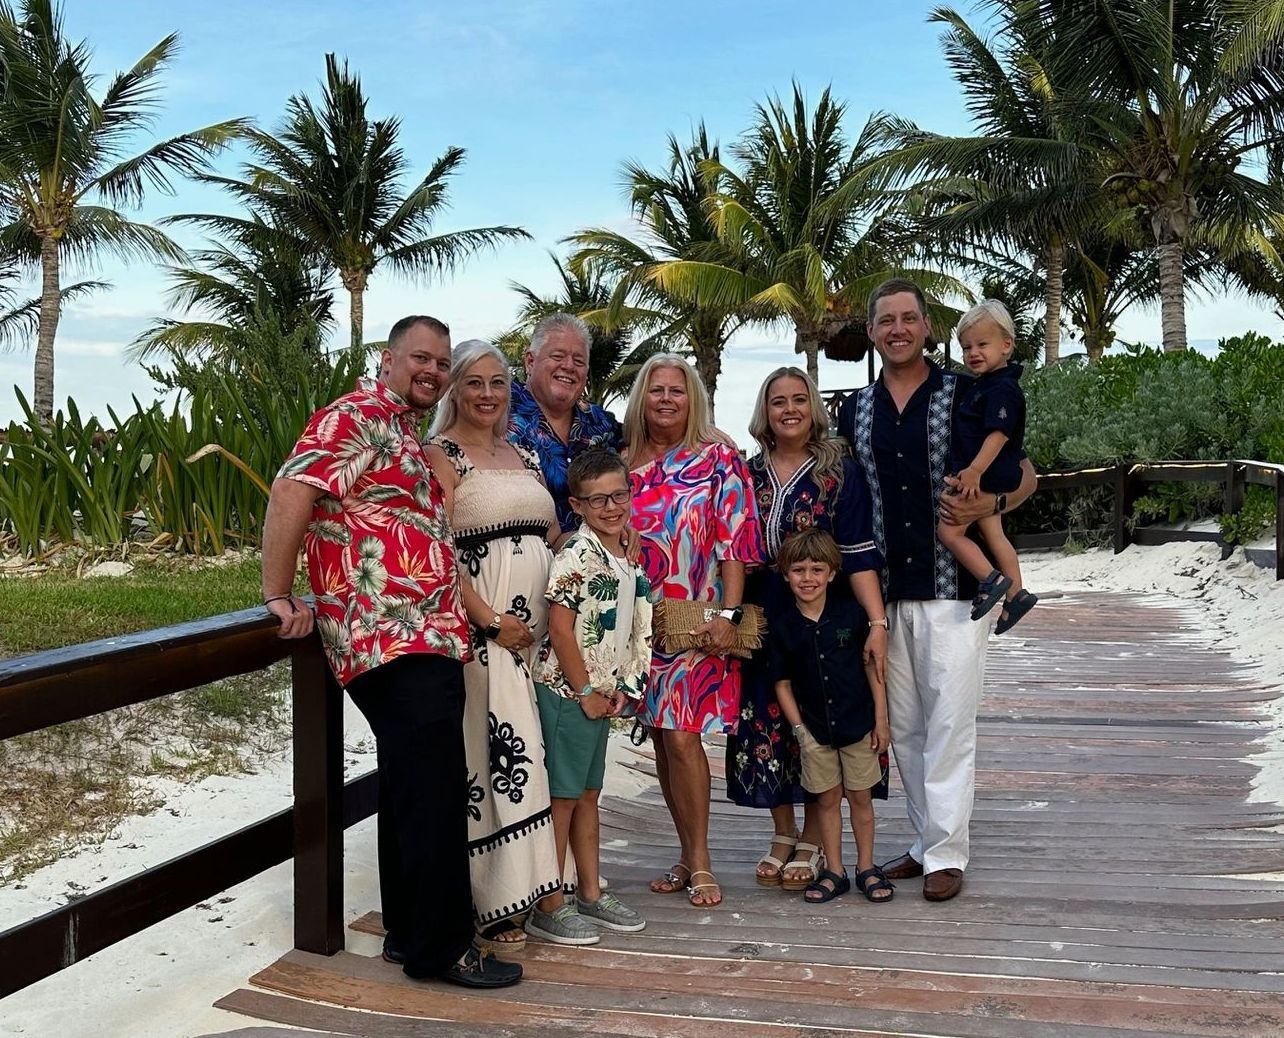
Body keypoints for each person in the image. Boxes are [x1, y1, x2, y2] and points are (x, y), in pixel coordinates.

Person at [261, 316, 521, 988]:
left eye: (441, 364)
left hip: (421, 636)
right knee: (433, 794)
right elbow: (294, 488)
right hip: (389, 636)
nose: (432, 372)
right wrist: (277, 592)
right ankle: (444, 949)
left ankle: (410, 934)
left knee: (415, 789)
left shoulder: (404, 431)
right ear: (389, 358)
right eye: (421, 359)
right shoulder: (355, 416)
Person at [838, 278, 1037, 902]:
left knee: (950, 722)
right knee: (907, 728)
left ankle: (948, 851)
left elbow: (1020, 468)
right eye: (885, 320)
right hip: (884, 593)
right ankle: (925, 843)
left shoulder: (966, 392)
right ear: (871, 331)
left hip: (957, 588)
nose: (897, 329)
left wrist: (996, 498)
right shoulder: (856, 409)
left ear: (927, 327)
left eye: (908, 318)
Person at [725, 367, 887, 894]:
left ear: (812, 407)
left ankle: (819, 838)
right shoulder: (746, 474)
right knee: (768, 720)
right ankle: (783, 833)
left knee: (825, 718)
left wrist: (877, 621)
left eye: (799, 399)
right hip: (766, 615)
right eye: (778, 401)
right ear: (764, 412)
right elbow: (729, 548)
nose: (789, 409)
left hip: (827, 610)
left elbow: (860, 552)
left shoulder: (840, 472)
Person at [425, 340, 561, 957]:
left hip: (535, 636)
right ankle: (491, 898)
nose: (486, 394)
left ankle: (529, 887)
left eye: (497, 383)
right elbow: (438, 550)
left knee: (530, 748)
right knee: (498, 757)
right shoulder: (439, 455)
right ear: (454, 388)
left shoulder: (521, 451)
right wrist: (487, 621)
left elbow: (551, 532)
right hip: (488, 633)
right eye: (474, 382)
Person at [625, 354, 765, 908]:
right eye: (655, 390)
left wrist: (729, 616)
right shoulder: (624, 462)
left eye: (676, 391)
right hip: (640, 623)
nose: (665, 399)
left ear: (693, 399)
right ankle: (685, 854)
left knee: (683, 737)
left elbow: (735, 542)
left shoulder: (718, 458)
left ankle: (702, 862)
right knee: (661, 737)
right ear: (642, 397)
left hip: (701, 619)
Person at [527, 449, 652, 944]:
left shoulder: (623, 553)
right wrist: (583, 691)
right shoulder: (576, 555)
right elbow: (560, 628)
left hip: (600, 694)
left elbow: (625, 624)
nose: (610, 506)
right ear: (576, 506)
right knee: (561, 798)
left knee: (587, 794)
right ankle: (549, 902)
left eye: (619, 495)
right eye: (597, 500)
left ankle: (589, 891)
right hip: (568, 693)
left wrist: (618, 687)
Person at [769, 529, 893, 904]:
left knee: (860, 798)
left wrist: (881, 719)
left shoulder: (852, 615)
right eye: (799, 570)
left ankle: (867, 867)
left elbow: (872, 668)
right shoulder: (783, 625)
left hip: (858, 725)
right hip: (815, 731)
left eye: (817, 570)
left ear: (833, 573)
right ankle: (834, 870)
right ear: (786, 574)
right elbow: (783, 683)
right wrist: (800, 732)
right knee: (826, 800)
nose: (808, 579)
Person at [936, 300, 1038, 633]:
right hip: (989, 477)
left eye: (982, 344)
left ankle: (990, 578)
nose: (973, 353)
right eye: (967, 347)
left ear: (1006, 344)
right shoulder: (984, 385)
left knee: (949, 532)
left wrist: (975, 471)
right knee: (994, 535)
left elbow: (998, 434)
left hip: (985, 476)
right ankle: (1016, 594)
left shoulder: (1001, 389)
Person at [508, 313, 625, 534]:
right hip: (520, 560)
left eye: (579, 361)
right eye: (558, 355)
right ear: (530, 361)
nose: (569, 366)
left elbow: (652, 441)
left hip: (593, 562)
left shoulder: (600, 422)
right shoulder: (497, 413)